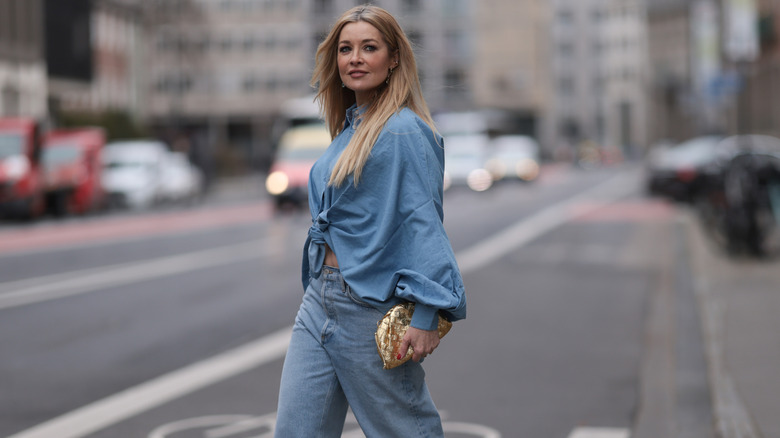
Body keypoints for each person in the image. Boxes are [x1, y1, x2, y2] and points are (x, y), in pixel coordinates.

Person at [274, 5, 467, 437]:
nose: (355, 58)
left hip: (368, 304)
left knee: (405, 431)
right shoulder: (349, 129)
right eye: (346, 49)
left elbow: (423, 224)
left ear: (393, 57)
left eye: (369, 47)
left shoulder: (402, 130)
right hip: (319, 301)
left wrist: (425, 314)